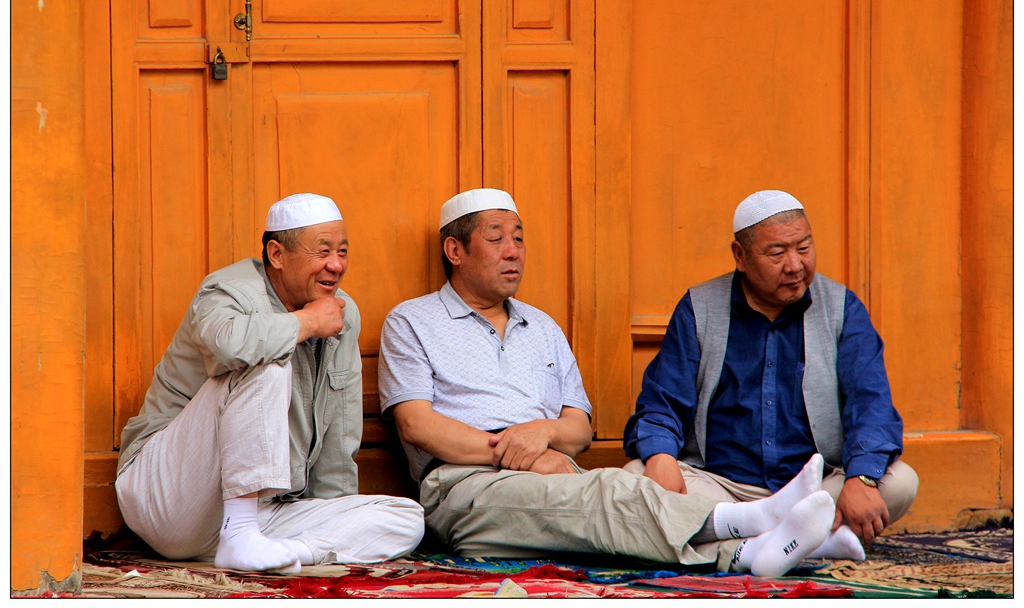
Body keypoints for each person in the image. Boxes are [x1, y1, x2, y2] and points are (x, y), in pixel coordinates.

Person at [378, 188, 840, 577]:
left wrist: (547, 435)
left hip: (558, 475)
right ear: (455, 251)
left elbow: (578, 428)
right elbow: (418, 426)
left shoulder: (541, 327)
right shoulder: (413, 321)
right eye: (496, 239)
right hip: (463, 488)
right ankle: (759, 521)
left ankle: (749, 552)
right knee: (612, 495)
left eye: (518, 238)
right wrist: (524, 458)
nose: (513, 250)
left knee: (608, 509)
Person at [116, 193, 424, 574]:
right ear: (277, 255)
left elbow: (339, 435)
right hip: (169, 498)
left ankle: (282, 551)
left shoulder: (341, 312)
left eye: (342, 251)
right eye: (323, 251)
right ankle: (242, 534)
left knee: (405, 518)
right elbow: (229, 345)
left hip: (268, 511)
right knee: (266, 362)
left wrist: (333, 513)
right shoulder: (228, 290)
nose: (336, 264)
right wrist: (307, 323)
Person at [623, 189, 919, 561]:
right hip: (720, 485)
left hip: (814, 484)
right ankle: (802, 541)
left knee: (901, 482)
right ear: (740, 256)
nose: (795, 265)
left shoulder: (842, 308)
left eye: (804, 248)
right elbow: (662, 400)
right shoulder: (699, 308)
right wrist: (661, 457)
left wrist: (860, 478)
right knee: (636, 478)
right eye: (777, 253)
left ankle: (743, 541)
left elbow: (871, 405)